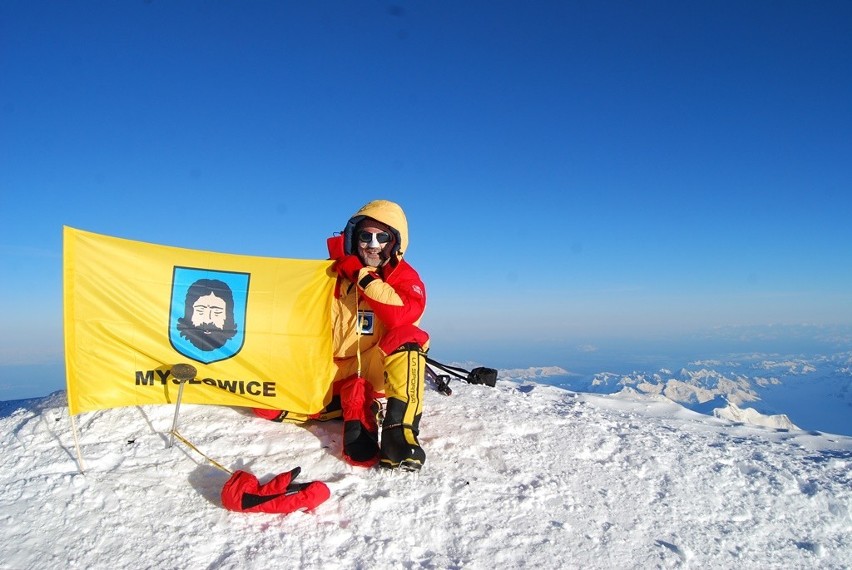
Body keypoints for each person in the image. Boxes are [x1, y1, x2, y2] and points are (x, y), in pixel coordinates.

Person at [255, 199, 429, 471]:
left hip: (372, 365)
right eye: (365, 236)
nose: (372, 244)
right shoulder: (325, 273)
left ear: (395, 242)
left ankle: (399, 433)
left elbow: (401, 316)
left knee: (408, 336)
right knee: (264, 405)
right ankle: (354, 405)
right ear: (353, 238)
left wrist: (360, 274)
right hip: (327, 366)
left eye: (382, 236)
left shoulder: (403, 276)